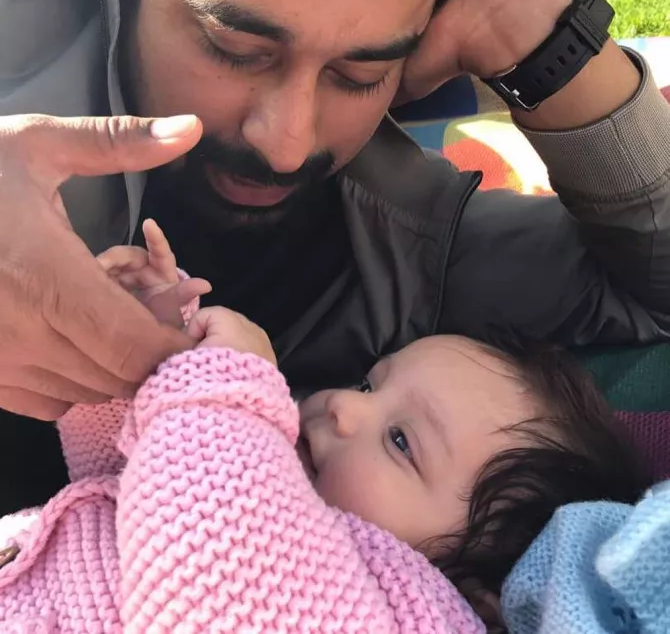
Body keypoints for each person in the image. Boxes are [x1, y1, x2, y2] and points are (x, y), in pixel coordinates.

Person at [1, 0, 670, 517]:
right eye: (235, 49)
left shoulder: (415, 247)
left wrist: (540, 29)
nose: (286, 143)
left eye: (359, 74)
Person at [0, 224, 648, 632]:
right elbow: (132, 491)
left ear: (480, 594)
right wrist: (143, 354)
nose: (344, 406)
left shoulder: (412, 611)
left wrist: (221, 388)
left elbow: (227, 592)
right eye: (370, 383)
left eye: (400, 440)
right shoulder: (268, 476)